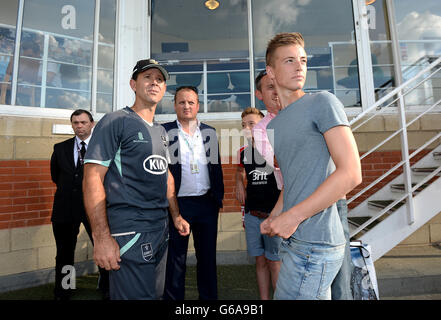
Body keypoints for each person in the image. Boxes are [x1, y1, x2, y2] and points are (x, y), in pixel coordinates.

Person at [260, 32, 362, 300]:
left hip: (317, 243)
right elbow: (294, 180)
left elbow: (351, 173)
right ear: (271, 72)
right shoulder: (275, 124)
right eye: (290, 60)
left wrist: (292, 217)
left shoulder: (322, 102)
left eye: (303, 60)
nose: (300, 67)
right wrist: (275, 215)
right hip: (292, 242)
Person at [82, 59, 190, 300]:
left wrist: (176, 216)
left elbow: (166, 175)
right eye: (147, 77)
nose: (154, 82)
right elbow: (92, 179)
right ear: (133, 84)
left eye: (160, 79)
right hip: (130, 230)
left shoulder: (161, 131)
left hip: (160, 229)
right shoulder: (115, 121)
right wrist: (101, 238)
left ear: (164, 89)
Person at [163, 86, 224, 300]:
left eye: (191, 102)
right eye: (182, 102)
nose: (186, 106)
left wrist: (218, 199)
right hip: (178, 205)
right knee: (176, 259)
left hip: (207, 204)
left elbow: (215, 167)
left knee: (207, 258)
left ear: (198, 106)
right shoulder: (163, 131)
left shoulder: (210, 132)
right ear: (175, 105)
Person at [50, 109, 109, 300]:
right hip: (65, 209)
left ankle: (107, 287)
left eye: (83, 122)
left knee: (102, 246)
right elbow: (56, 177)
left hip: (95, 208)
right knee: (65, 253)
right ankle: (65, 289)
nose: (79, 126)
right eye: (75, 123)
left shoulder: (103, 148)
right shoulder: (60, 148)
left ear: (92, 124)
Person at [235, 107, 281, 300]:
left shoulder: (274, 149)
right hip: (253, 216)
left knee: (274, 262)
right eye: (244, 125)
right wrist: (239, 182)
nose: (247, 128)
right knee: (260, 261)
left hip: (273, 216)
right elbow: (239, 171)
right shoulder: (243, 152)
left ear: (263, 125)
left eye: (252, 124)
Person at [252, 70, 282, 189]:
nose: (276, 91)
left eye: (280, 86)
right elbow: (276, 161)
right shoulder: (260, 129)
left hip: (329, 191)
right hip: (293, 195)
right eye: (270, 87)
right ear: (259, 94)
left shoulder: (306, 113)